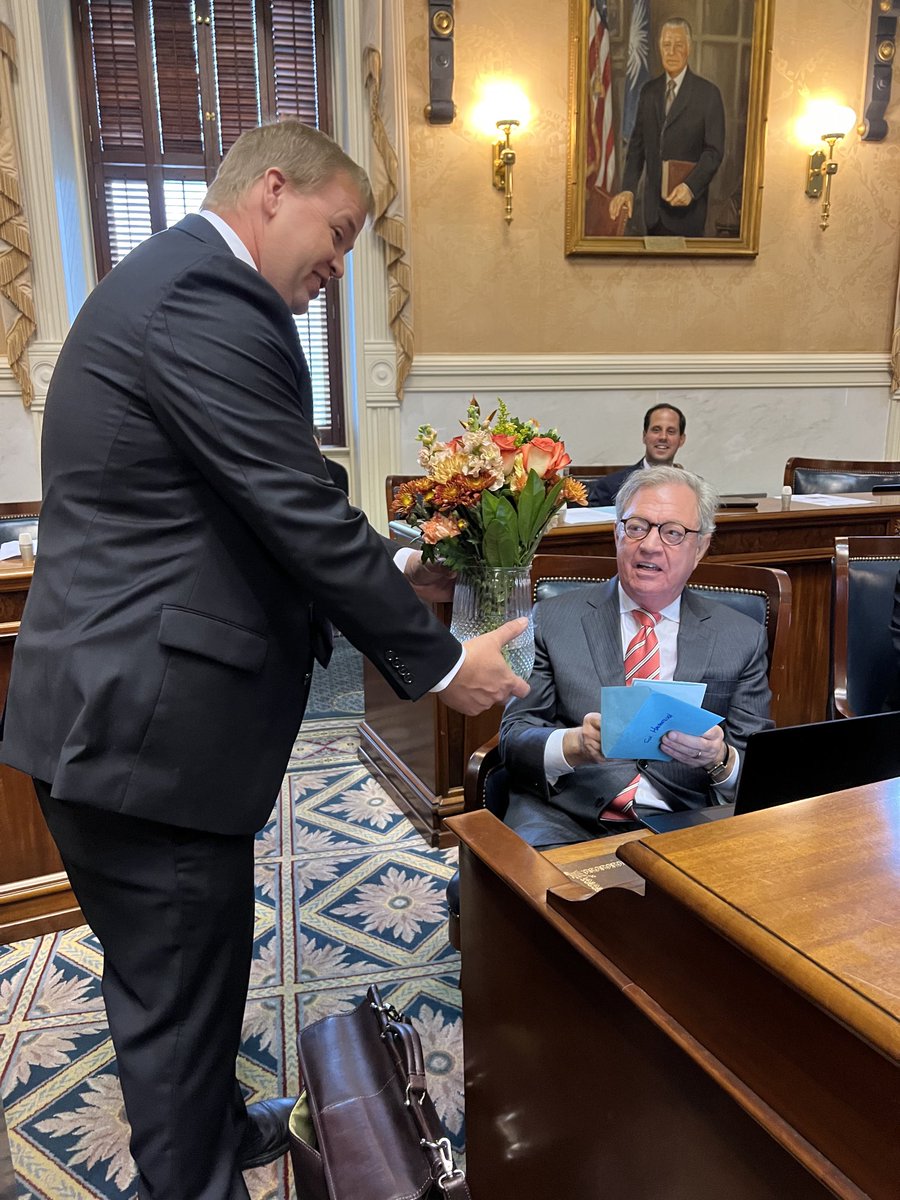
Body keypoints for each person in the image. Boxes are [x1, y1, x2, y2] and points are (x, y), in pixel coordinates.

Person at [0, 120, 529, 1200]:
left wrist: (386, 559)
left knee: (189, 966)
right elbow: (290, 505)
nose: (337, 271)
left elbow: (236, 502)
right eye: (335, 237)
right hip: (149, 735)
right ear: (272, 190)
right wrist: (434, 663)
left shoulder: (170, 283)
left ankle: (216, 1122)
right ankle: (188, 1177)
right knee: (176, 985)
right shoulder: (208, 293)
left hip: (131, 727)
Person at [500, 467, 772, 849]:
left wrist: (718, 757)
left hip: (686, 823)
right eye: (637, 527)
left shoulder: (740, 636)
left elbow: (757, 764)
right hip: (565, 815)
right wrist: (574, 745)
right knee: (539, 899)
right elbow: (514, 738)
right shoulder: (553, 618)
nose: (650, 545)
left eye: (673, 532)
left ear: (702, 547)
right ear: (617, 534)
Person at [608, 18, 725, 238]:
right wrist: (628, 189)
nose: (671, 51)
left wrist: (690, 187)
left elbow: (714, 152)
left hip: (687, 214)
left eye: (678, 45)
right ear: (659, 47)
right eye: (666, 45)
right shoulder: (648, 92)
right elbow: (636, 148)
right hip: (651, 215)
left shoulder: (708, 94)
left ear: (689, 48)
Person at [587, 404, 686, 505]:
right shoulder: (610, 487)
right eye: (656, 430)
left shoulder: (693, 488)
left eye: (671, 431)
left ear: (681, 440)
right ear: (644, 436)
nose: (663, 437)